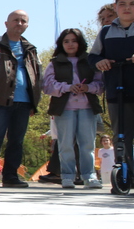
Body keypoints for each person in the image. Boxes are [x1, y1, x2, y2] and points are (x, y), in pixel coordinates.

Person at [42, 28, 103, 189]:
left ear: (80, 43)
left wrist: (87, 88)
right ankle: (67, 176)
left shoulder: (90, 61)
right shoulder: (54, 62)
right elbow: (47, 86)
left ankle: (89, 176)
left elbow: (101, 84)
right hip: (64, 109)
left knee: (87, 143)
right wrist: (67, 87)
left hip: (87, 108)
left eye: (74, 41)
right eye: (66, 41)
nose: (70, 44)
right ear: (61, 44)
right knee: (65, 144)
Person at [89, 0, 134, 187]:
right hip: (117, 90)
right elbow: (93, 56)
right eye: (122, 4)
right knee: (121, 136)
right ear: (116, 7)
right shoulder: (107, 31)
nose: (127, 8)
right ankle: (126, 173)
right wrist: (99, 62)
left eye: (133, 4)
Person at [0, 10, 41, 188]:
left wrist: (35, 102)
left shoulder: (30, 49)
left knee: (17, 140)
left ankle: (10, 176)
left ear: (27, 25)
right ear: (6, 23)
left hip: (24, 101)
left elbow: (36, 76)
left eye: (23, 21)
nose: (19, 23)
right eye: (15, 20)